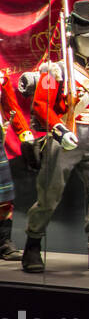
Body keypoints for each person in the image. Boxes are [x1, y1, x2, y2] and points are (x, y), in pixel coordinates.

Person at [20, 0, 89, 273]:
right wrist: (59, 129)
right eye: (88, 38)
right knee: (50, 194)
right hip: (66, 137)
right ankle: (33, 244)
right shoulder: (55, 70)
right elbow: (41, 105)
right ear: (74, 38)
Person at [0, 71, 35, 262]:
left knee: (3, 198)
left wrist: (24, 134)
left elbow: (11, 108)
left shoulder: (1, 78)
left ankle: (3, 242)